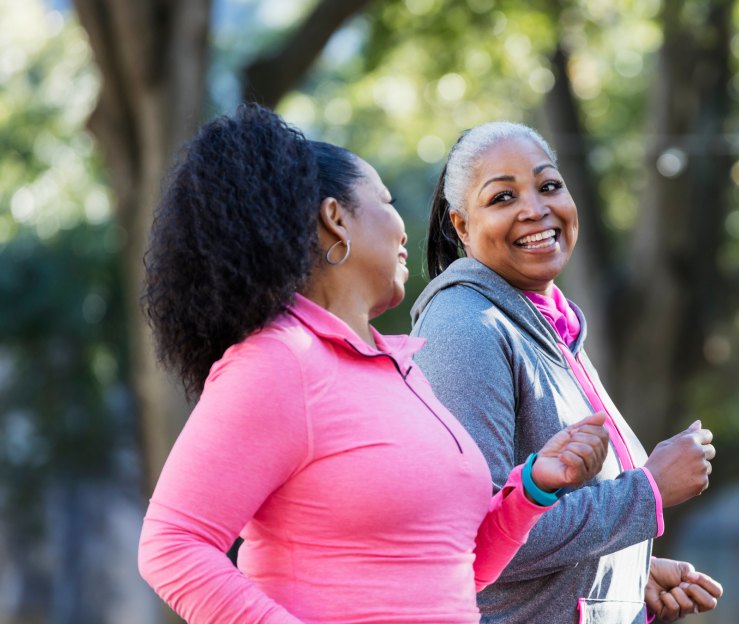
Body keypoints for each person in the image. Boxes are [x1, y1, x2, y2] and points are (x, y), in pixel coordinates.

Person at [136, 105, 611, 624]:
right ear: (336, 218)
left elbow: (454, 568)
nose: (405, 230)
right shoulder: (278, 362)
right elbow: (172, 544)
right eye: (385, 202)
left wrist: (534, 486)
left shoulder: (400, 368)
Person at [411, 121, 724, 623]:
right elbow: (479, 536)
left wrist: (626, 572)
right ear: (462, 226)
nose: (535, 209)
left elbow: (549, 527)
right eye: (502, 197)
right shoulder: (466, 325)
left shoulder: (547, 322)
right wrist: (647, 492)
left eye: (548, 185)